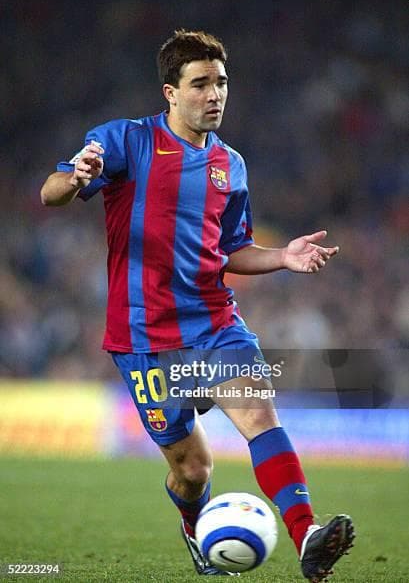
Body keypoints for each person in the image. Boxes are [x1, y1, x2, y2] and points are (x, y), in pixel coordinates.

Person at [40, 29, 354, 581]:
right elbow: (51, 193)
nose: (215, 94)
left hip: (214, 322)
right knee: (192, 469)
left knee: (259, 414)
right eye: (201, 83)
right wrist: (74, 177)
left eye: (222, 82)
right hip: (144, 336)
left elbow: (232, 249)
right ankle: (194, 526)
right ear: (171, 92)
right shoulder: (126, 141)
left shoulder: (231, 164)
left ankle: (307, 533)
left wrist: (282, 257)